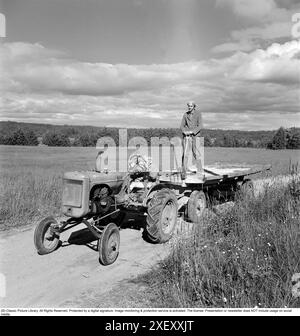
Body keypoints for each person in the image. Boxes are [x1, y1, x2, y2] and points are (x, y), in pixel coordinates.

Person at [180, 101, 204, 180]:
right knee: (185, 154)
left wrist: (192, 132)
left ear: (194, 106)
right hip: (186, 137)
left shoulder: (198, 114)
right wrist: (184, 131)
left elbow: (200, 125)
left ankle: (200, 171)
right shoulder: (185, 114)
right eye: (188, 106)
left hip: (195, 136)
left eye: (191, 106)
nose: (189, 107)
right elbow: (182, 125)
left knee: (196, 153)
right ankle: (184, 172)